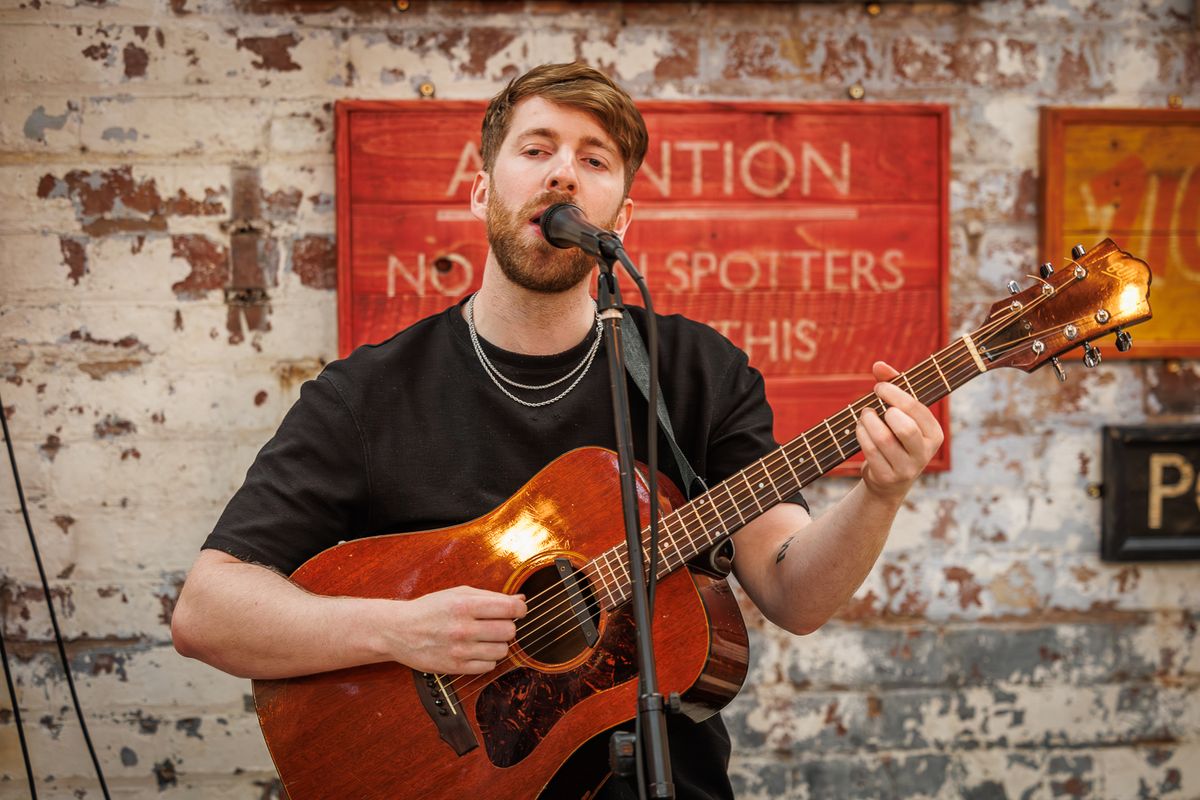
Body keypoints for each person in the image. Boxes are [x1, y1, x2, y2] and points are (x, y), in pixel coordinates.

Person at [171, 62, 943, 798]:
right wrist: (402, 630)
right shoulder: (367, 395)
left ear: (622, 218)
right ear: (481, 191)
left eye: (595, 161)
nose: (563, 173)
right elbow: (209, 612)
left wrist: (882, 493)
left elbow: (792, 593)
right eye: (536, 149)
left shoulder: (698, 372)